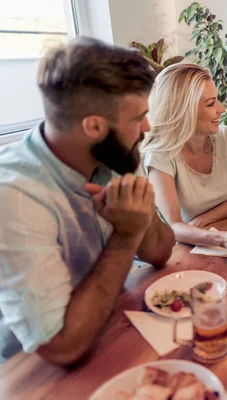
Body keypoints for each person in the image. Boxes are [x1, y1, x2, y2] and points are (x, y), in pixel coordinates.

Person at [0, 38, 175, 366]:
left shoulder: (113, 152)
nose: (148, 128)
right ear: (94, 126)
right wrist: (124, 237)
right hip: (32, 373)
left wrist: (138, 217)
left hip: (110, 326)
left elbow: (159, 252)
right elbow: (61, 347)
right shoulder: (15, 197)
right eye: (139, 117)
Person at [140, 63, 227, 254]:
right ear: (184, 110)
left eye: (217, 100)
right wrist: (220, 238)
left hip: (220, 233)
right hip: (189, 249)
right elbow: (174, 226)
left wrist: (203, 220)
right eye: (210, 104)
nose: (221, 109)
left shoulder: (226, 137)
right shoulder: (161, 155)